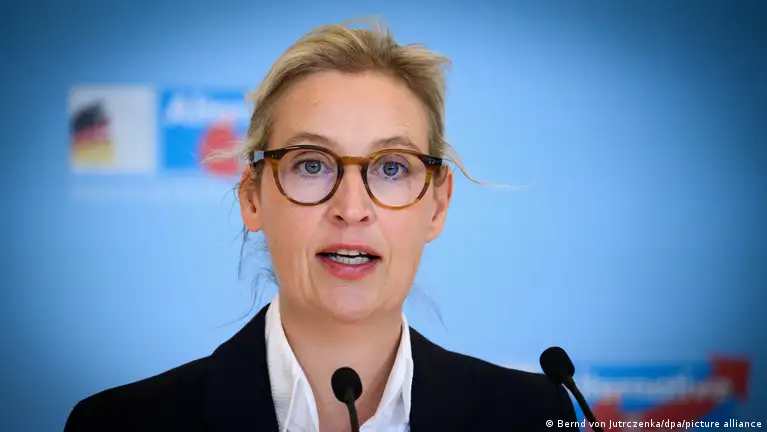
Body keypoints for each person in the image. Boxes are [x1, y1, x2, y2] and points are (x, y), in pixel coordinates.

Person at [64, 19, 578, 432]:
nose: (351, 208)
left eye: (391, 167)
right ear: (252, 197)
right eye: (311, 164)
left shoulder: (532, 415)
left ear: (438, 204)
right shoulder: (121, 423)